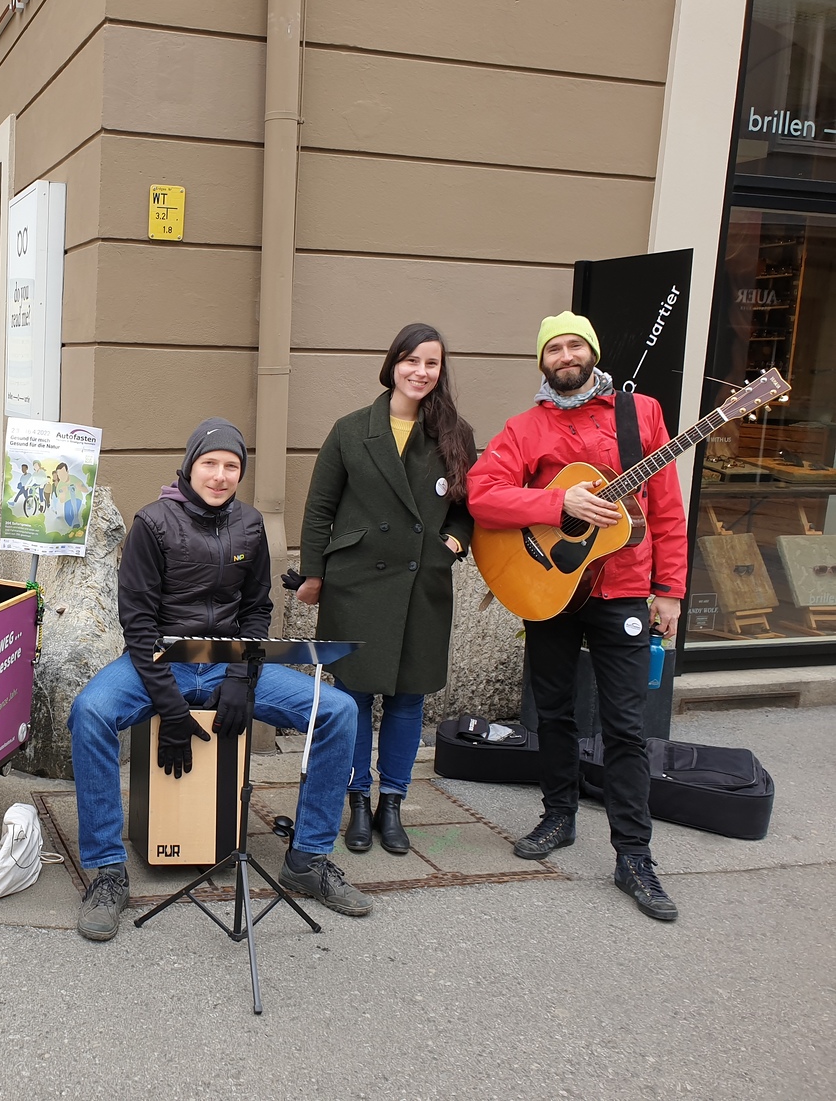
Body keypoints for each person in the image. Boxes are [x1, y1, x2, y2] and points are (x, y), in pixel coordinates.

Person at [68, 417, 368, 942]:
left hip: (231, 661)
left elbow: (256, 610)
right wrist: (170, 707)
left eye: (232, 465)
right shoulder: (152, 523)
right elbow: (137, 623)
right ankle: (107, 871)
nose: (220, 475)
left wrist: (240, 676)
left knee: (338, 710)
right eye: (210, 463)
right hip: (162, 661)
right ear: (189, 467)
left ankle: (308, 859)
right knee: (90, 712)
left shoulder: (250, 525)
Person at [467, 311, 686, 921]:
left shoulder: (640, 413)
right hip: (552, 589)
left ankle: (634, 856)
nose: (565, 356)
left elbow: (666, 507)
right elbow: (482, 493)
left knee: (626, 727)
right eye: (554, 349)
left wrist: (669, 589)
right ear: (542, 361)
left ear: (592, 352)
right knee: (554, 710)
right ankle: (558, 815)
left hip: (624, 589)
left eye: (574, 346)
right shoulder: (525, 427)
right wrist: (557, 502)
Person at [295, 323, 477, 855]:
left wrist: (452, 545)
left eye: (431, 363)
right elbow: (320, 507)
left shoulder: (455, 434)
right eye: (411, 360)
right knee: (352, 697)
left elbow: (469, 506)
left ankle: (391, 802)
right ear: (393, 364)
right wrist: (313, 574)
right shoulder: (351, 429)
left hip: (422, 582)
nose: (420, 372)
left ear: (440, 371)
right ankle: (356, 800)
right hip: (357, 584)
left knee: (407, 698)